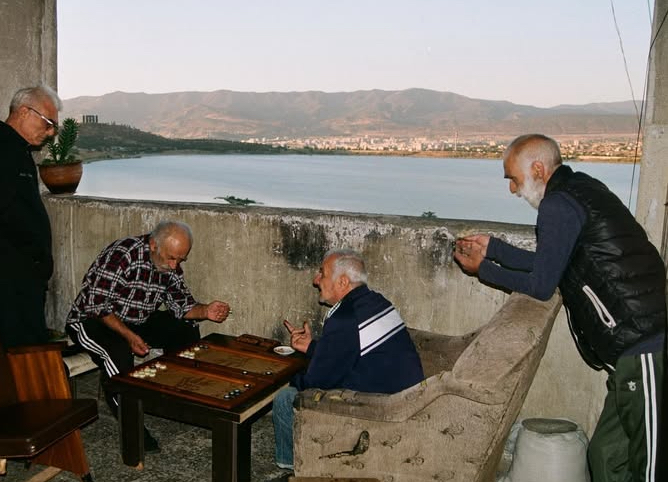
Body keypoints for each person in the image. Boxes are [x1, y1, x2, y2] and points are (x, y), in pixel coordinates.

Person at [454, 134, 665, 482]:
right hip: (631, 348)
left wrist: (484, 269)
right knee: (605, 455)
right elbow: (552, 262)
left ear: (538, 168)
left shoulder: (557, 205)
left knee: (649, 468)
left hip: (644, 346)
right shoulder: (580, 189)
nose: (512, 190)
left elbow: (542, 284)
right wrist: (493, 248)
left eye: (514, 179)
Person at [65, 220, 231, 452]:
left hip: (136, 320)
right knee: (119, 356)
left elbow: (181, 305)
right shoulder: (123, 255)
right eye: (172, 258)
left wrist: (206, 311)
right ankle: (134, 429)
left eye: (180, 260)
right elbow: (97, 305)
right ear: (153, 245)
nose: (175, 266)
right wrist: (129, 336)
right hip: (93, 320)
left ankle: (178, 398)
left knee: (185, 328)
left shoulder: (168, 266)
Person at [272, 248, 424, 471]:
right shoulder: (376, 301)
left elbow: (317, 381)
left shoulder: (346, 316)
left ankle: (293, 467)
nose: (316, 280)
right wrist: (313, 348)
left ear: (343, 282)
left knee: (285, 398)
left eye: (322, 273)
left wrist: (286, 377)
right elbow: (352, 351)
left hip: (379, 409)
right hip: (406, 399)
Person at [0, 85, 61, 348]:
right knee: (22, 350)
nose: (51, 132)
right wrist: (35, 254)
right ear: (24, 111)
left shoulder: (16, 150)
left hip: (23, 272)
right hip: (11, 273)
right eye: (48, 123)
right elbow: (1, 211)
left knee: (28, 345)